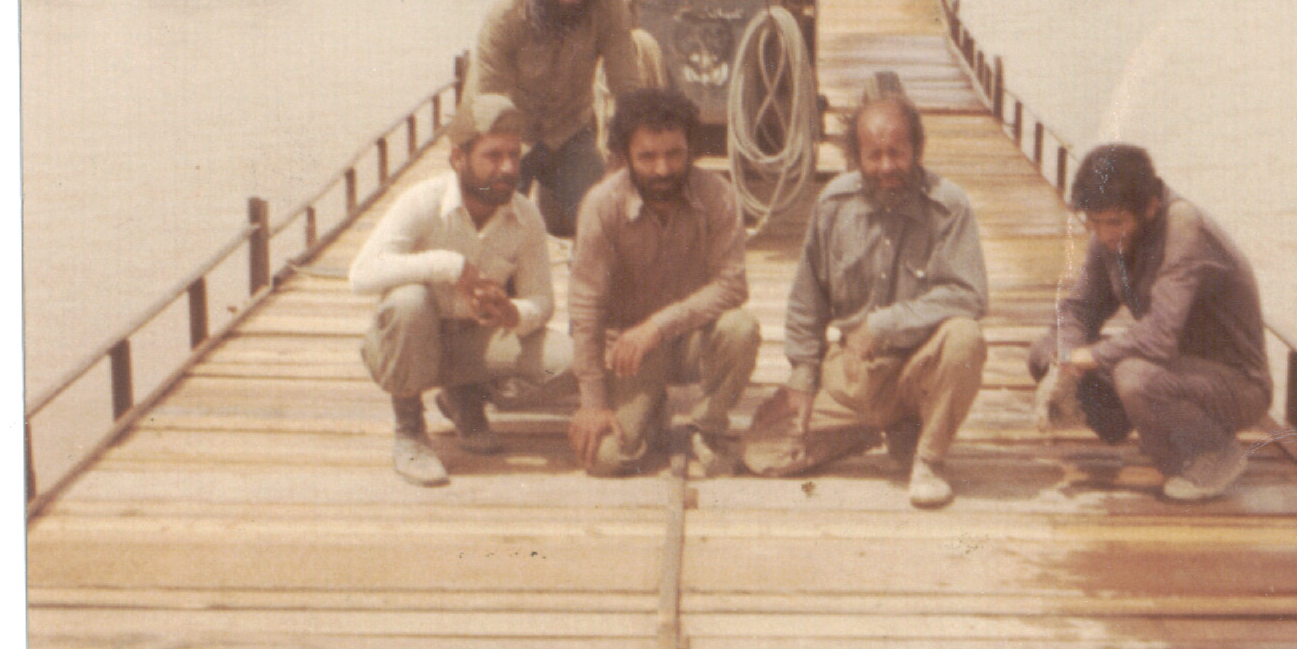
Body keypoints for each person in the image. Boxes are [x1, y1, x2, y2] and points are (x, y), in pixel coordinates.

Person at [742, 89, 989, 509]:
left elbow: (969, 296)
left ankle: (928, 459)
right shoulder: (833, 204)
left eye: (897, 153)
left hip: (920, 368)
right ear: (856, 157)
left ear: (917, 149)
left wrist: (881, 324)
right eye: (874, 156)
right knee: (762, 452)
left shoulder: (949, 206)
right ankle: (882, 428)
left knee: (965, 338)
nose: (887, 166)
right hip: (855, 378)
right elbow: (807, 301)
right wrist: (802, 378)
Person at [349, 93, 571, 487]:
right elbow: (361, 274)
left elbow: (542, 301)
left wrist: (512, 313)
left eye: (514, 155)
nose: (508, 168)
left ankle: (467, 397)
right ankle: (410, 432)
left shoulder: (526, 216)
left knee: (568, 363)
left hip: (475, 345)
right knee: (408, 301)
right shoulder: (422, 202)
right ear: (457, 158)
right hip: (411, 343)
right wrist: (448, 266)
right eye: (492, 156)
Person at [1030, 143, 1272, 501]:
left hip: (1237, 384)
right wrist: (1063, 362)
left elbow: (1159, 336)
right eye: (1094, 222)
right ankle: (1147, 425)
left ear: (1150, 208)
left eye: (1115, 222)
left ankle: (1214, 452)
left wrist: (1087, 358)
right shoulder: (1109, 236)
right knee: (1045, 352)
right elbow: (1078, 309)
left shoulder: (1184, 227)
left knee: (1134, 376)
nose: (1104, 235)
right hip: (1176, 366)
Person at [566, 87, 761, 477]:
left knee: (741, 327)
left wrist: (657, 326)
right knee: (605, 459)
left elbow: (733, 286)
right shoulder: (602, 205)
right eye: (647, 157)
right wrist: (593, 403)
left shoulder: (719, 196)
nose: (662, 169)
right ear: (624, 156)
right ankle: (650, 408)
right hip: (628, 354)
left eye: (674, 154)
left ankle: (707, 426)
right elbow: (586, 309)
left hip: (691, 340)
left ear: (691, 149)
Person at [463, 0, 644, 238]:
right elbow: (488, 110)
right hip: (512, 135)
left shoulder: (609, 5)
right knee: (491, 227)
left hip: (570, 132)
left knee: (605, 222)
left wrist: (625, 156)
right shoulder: (505, 16)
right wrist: (496, 177)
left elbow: (628, 89)